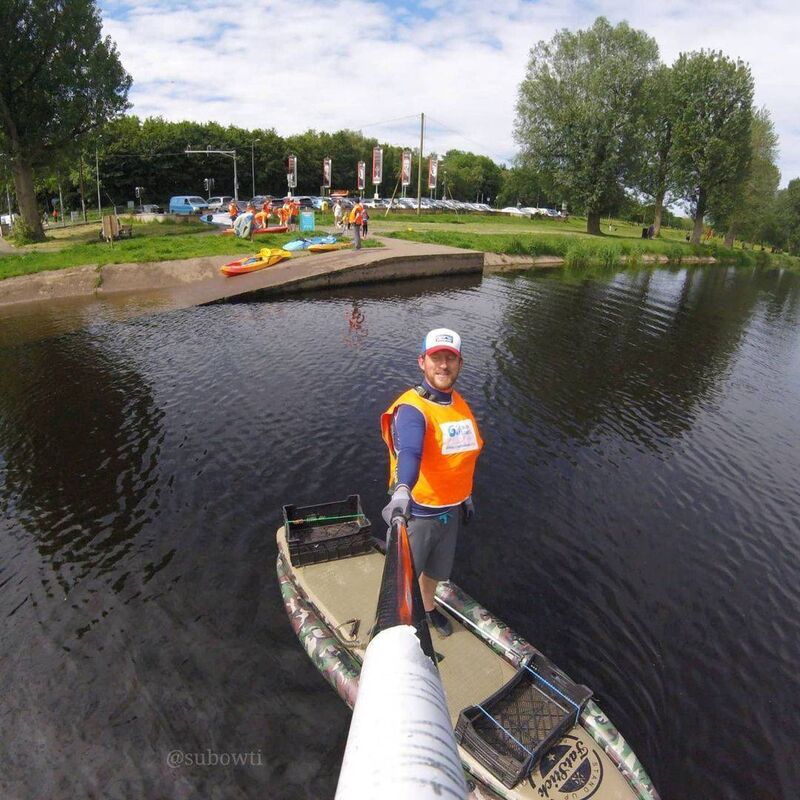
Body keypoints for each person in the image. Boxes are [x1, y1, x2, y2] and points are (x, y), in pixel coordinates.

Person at [380, 328, 483, 637]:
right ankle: (397, 628)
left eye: (450, 359)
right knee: (402, 577)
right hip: (416, 513)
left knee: (436, 571)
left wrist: (465, 496)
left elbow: (459, 456)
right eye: (436, 358)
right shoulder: (413, 409)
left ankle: (427, 608)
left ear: (460, 364)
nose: (443, 366)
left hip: (449, 510)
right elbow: (408, 452)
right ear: (421, 362)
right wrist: (402, 491)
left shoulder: (457, 404)